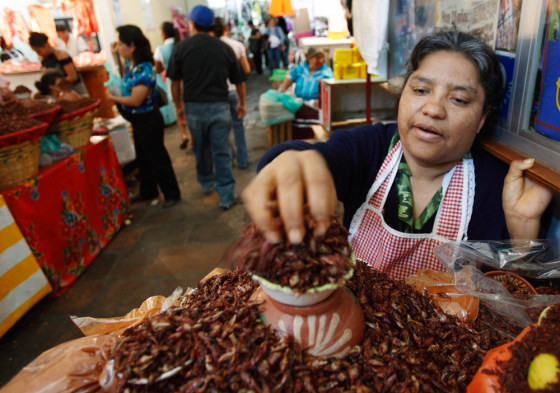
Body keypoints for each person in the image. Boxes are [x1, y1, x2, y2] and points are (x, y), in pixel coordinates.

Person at [243, 29, 553, 281]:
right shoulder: (371, 147)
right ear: (402, 94)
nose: (432, 108)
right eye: (420, 90)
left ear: (482, 119)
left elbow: (517, 297)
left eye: (459, 99)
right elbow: (321, 158)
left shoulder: (496, 183)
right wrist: (294, 161)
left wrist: (523, 227)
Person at [167, 5, 247, 210]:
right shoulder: (223, 48)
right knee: (221, 151)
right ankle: (227, 196)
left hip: (194, 108)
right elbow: (239, 80)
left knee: (201, 149)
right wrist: (242, 103)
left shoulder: (182, 48)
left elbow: (174, 82)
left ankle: (206, 182)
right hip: (219, 107)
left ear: (192, 24)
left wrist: (178, 106)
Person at [106, 25, 181, 209]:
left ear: (131, 46)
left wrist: (111, 97)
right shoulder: (132, 65)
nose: (119, 47)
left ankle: (171, 193)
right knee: (143, 157)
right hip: (138, 120)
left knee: (157, 157)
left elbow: (136, 99)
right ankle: (149, 191)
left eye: (121, 44)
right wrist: (115, 54)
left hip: (148, 120)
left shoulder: (144, 69)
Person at [214, 17, 251, 169]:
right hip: (235, 91)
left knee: (223, 131)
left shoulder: (212, 47)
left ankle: (231, 158)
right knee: (238, 127)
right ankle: (243, 160)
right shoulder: (237, 45)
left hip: (218, 94)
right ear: (225, 29)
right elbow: (247, 70)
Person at [279, 47, 333, 139]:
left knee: (314, 131)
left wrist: (322, 102)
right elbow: (290, 78)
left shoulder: (326, 72)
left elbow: (328, 91)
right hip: (299, 103)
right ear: (309, 59)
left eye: (322, 57)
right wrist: (281, 91)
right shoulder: (301, 68)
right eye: (318, 57)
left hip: (315, 105)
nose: (321, 60)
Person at [154, 21, 190, 149]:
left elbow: (158, 69)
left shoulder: (160, 50)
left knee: (178, 109)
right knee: (188, 109)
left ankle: (184, 135)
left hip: (172, 84)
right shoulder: (182, 45)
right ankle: (193, 138)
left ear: (163, 34)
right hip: (186, 83)